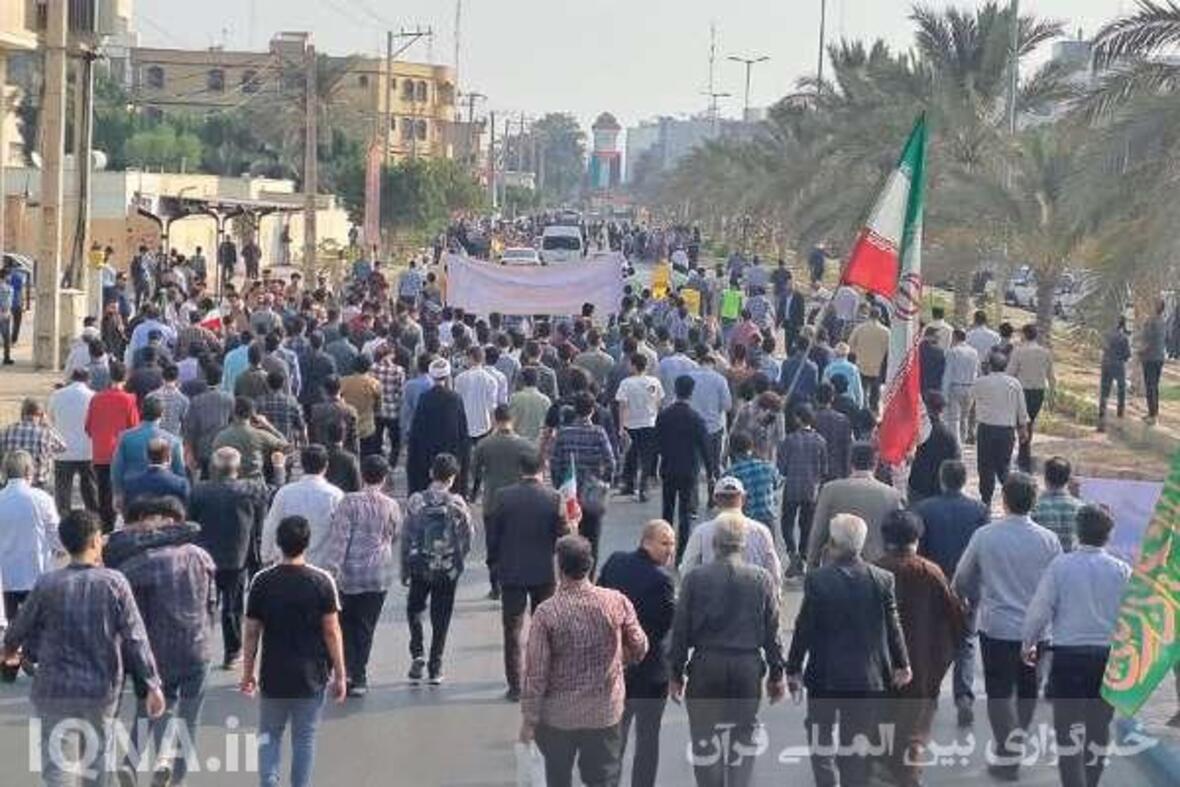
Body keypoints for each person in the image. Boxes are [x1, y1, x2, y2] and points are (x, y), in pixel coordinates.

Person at [2, 510, 166, 787]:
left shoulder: (47, 584)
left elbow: (20, 626)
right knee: (98, 762)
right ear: (94, 542)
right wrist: (152, 683)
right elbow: (135, 637)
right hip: (99, 689)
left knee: (55, 767)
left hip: (54, 687)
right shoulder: (114, 583)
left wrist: (8, 649)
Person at [786, 514, 912, 787]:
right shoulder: (882, 579)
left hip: (824, 677)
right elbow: (893, 625)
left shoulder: (818, 580)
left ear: (832, 543)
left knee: (820, 739)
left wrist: (793, 668)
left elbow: (804, 628)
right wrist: (903, 663)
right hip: (867, 679)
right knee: (856, 744)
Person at [952, 473, 1062, 781]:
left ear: (1003, 500)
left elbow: (962, 576)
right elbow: (1057, 584)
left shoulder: (986, 536)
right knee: (1029, 689)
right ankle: (1014, 746)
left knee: (999, 692)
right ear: (1034, 502)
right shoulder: (1049, 540)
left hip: (997, 627)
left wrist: (965, 598)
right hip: (1038, 631)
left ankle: (1007, 749)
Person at [520, 535, 648, 787]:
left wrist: (529, 720)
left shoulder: (546, 613)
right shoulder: (616, 601)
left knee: (558, 778)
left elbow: (537, 673)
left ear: (559, 566)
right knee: (603, 780)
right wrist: (621, 660)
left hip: (558, 717)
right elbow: (641, 646)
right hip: (604, 713)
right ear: (590, 565)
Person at [669, 515, 785, 787]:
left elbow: (681, 629)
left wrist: (675, 672)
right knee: (743, 738)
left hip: (706, 665)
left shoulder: (695, 578)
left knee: (704, 738)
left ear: (714, 543)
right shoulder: (762, 579)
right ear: (743, 545)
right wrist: (777, 673)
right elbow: (773, 631)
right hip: (746, 667)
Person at [1021, 504, 1130, 787]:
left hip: (1068, 657)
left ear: (1077, 532)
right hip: (1108, 659)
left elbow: (1040, 609)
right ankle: (1091, 782)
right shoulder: (1122, 571)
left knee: (1067, 728)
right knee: (1099, 727)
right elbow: (1131, 619)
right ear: (1109, 535)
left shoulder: (1061, 566)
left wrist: (1028, 642)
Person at [111, 495, 217, 787]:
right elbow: (211, 604)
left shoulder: (139, 565)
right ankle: (174, 776)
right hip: (198, 646)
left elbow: (131, 614)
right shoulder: (201, 556)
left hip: (159, 649)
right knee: (190, 716)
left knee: (156, 705)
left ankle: (141, 763)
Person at [241, 515, 348, 787]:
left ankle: (270, 782)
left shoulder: (261, 581)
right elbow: (332, 631)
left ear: (278, 543)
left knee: (269, 735)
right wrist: (340, 674)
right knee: (304, 739)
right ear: (307, 543)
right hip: (311, 676)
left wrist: (247, 672)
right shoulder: (322, 581)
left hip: (273, 674)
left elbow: (252, 631)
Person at [876, 511, 964, 787]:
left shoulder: (873, 570)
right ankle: (908, 778)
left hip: (879, 670)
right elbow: (957, 619)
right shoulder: (930, 572)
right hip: (922, 668)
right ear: (917, 538)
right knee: (913, 735)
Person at [598, 521, 676, 787]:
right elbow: (666, 624)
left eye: (673, 543)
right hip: (650, 673)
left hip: (614, 667)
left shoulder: (615, 562)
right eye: (665, 543)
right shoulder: (662, 581)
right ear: (647, 542)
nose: (671, 550)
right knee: (647, 740)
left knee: (613, 738)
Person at [487, 449, 569, 701]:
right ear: (541, 470)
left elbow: (494, 536)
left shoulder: (503, 497)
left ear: (519, 470)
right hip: (544, 572)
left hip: (511, 571)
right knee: (545, 630)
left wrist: (494, 565)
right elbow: (561, 536)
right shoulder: (554, 498)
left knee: (512, 631)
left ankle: (515, 687)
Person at [915, 459, 990, 727]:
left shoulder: (924, 509)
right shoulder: (979, 510)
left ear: (941, 478)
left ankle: (929, 695)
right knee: (966, 643)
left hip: (934, 586)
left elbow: (919, 552)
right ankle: (964, 699)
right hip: (968, 588)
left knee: (932, 641)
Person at [321, 455, 402, 698]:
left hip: (349, 575)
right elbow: (395, 534)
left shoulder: (348, 503)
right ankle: (360, 676)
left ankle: (343, 671)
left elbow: (340, 540)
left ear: (362, 474)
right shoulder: (392, 505)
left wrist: (331, 572)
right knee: (366, 627)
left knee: (344, 624)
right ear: (385, 477)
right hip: (378, 575)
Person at [191, 446, 268, 669]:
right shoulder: (250, 489)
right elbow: (268, 497)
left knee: (204, 607)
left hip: (206, 556)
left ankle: (199, 651)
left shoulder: (200, 491)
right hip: (237, 556)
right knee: (232, 608)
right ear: (238, 466)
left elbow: (190, 521)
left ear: (214, 467)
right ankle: (232, 653)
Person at [401, 453, 472, 685]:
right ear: (452, 477)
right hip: (447, 569)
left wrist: (405, 568)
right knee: (441, 617)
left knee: (414, 609)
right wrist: (458, 560)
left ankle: (417, 651)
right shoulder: (457, 502)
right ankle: (435, 665)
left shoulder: (415, 501)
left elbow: (406, 537)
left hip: (421, 566)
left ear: (431, 473)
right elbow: (468, 535)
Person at [472, 404, 537, 598]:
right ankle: (517, 582)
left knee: (494, 547)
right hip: (520, 503)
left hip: (492, 502)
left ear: (494, 419)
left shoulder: (484, 445)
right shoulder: (525, 445)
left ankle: (495, 586)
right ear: (512, 419)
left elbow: (475, 473)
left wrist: (473, 495)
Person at [806, 442, 903, 570]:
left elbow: (818, 532)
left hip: (835, 567)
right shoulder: (892, 495)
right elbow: (898, 535)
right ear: (875, 464)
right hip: (876, 567)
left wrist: (811, 565)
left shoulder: (830, 490)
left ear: (850, 463)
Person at [679, 477, 782, 588]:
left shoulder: (701, 532)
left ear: (715, 499)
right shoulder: (761, 531)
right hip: (752, 596)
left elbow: (687, 569)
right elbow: (774, 572)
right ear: (743, 499)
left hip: (711, 596)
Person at [654, 375, 716, 554]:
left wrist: (652, 468)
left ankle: (663, 547)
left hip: (668, 466)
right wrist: (711, 471)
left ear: (675, 389)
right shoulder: (695, 418)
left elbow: (656, 442)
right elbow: (705, 446)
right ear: (691, 392)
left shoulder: (664, 415)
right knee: (685, 513)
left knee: (667, 509)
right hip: (689, 469)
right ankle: (681, 552)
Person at [0, 451, 61, 624]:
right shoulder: (41, 498)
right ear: (29, 470)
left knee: (11, 633)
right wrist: (63, 548)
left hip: (5, 579)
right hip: (37, 574)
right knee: (39, 629)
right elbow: (55, 533)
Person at [261, 445, 344, 567]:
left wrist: (266, 556)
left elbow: (271, 525)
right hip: (322, 565)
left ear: (302, 465)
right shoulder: (335, 495)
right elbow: (341, 533)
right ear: (326, 466)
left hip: (288, 563)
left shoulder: (285, 492)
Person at [970, 352, 1029, 507]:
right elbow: (1021, 409)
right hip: (1006, 431)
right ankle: (1012, 501)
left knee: (985, 466)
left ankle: (986, 501)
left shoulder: (980, 382)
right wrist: (1023, 429)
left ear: (989, 365)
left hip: (986, 429)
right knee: (1004, 466)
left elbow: (972, 399)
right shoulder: (1014, 383)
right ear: (1005, 366)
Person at [406, 358, 470, 495]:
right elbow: (462, 435)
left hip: (427, 459)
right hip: (450, 460)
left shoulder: (424, 398)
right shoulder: (455, 399)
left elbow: (416, 433)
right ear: (447, 377)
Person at [778, 404, 828, 578]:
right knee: (806, 525)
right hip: (811, 490)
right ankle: (803, 555)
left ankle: (792, 553)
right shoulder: (821, 441)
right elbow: (824, 469)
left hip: (792, 488)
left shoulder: (789, 440)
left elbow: (781, 468)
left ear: (798, 419)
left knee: (787, 523)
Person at [110, 397, 185, 508]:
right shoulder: (173, 440)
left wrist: (117, 493)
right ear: (161, 415)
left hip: (132, 492)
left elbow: (117, 468)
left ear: (141, 411)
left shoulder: (125, 437)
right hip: (163, 493)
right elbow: (179, 471)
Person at [47, 368, 98, 514]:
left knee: (63, 492)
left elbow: (51, 418)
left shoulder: (57, 395)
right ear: (88, 380)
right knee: (90, 491)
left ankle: (64, 520)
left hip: (63, 451)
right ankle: (93, 518)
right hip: (86, 450)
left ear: (71, 378)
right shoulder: (93, 396)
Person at [616, 353, 664, 501]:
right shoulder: (654, 382)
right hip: (650, 422)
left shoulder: (626, 383)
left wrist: (621, 426)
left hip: (631, 424)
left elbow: (622, 405)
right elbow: (659, 401)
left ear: (634, 365)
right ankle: (643, 487)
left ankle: (629, 484)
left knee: (631, 455)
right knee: (647, 456)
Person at [1007, 324, 1054, 472]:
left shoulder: (1019, 351)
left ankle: (1018, 458)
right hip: (1038, 393)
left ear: (1025, 335)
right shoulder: (1045, 353)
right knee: (1029, 424)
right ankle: (1024, 457)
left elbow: (1010, 373)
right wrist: (1052, 395)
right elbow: (1051, 377)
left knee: (1018, 424)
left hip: (1022, 392)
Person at [211, 396, 290, 484]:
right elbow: (286, 446)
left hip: (228, 484)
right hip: (255, 484)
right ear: (252, 414)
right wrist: (268, 425)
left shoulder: (220, 436)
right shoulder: (259, 434)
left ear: (233, 413)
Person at [0, 398, 65, 490]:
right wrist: (48, 425)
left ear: (22, 413)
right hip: (37, 483)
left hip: (10, 483)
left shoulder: (6, 431)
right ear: (41, 415)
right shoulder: (46, 433)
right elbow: (63, 446)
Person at [908, 392, 960, 502]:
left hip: (917, 486)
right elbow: (956, 462)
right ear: (942, 410)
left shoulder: (917, 431)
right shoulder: (949, 435)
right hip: (939, 488)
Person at [1031, 456, 1085, 553]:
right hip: (1071, 564)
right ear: (1068, 479)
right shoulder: (1081, 508)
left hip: (1044, 564)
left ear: (1045, 478)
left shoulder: (1035, 508)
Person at [122, 437, 191, 508]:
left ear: (146, 456)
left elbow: (127, 511)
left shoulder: (131, 484)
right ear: (168, 457)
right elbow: (186, 510)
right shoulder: (181, 484)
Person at [848, 307, 890, 413]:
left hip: (861, 364)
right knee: (875, 393)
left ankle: (861, 410)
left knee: (861, 390)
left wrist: (856, 353)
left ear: (869, 314)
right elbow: (889, 350)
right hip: (877, 367)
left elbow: (850, 343)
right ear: (879, 316)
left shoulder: (860, 328)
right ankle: (873, 413)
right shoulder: (886, 331)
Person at [340, 354, 383, 458]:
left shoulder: (343, 382)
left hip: (347, 427)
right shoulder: (374, 384)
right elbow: (378, 408)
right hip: (367, 428)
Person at [942, 328, 979, 445]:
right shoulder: (974, 352)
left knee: (954, 420)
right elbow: (976, 371)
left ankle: (955, 447)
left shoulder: (952, 352)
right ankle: (962, 444)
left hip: (955, 387)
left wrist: (944, 394)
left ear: (954, 337)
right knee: (964, 418)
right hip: (970, 387)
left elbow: (947, 374)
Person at [1097, 316, 1131, 432]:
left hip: (1106, 364)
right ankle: (1120, 414)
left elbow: (1102, 347)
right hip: (1118, 365)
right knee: (1121, 390)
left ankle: (1102, 414)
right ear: (1123, 325)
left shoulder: (1107, 335)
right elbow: (1127, 355)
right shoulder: (1124, 338)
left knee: (1104, 390)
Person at [813, 382, 852, 481]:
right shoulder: (843, 419)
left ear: (815, 397)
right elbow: (847, 449)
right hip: (837, 470)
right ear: (832, 398)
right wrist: (847, 473)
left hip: (815, 471)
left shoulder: (812, 419)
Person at [1139, 298, 1167, 425]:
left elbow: (1148, 342)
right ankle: (1154, 413)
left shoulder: (1151, 322)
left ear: (1155, 307)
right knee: (1154, 386)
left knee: (1150, 386)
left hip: (1150, 358)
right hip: (1159, 357)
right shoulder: (1162, 322)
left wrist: (1140, 352)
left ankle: (1152, 415)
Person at [508, 366, 552, 443]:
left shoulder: (515, 398)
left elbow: (511, 422)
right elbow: (548, 427)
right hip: (538, 444)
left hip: (518, 443)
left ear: (523, 380)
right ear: (537, 381)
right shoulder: (546, 401)